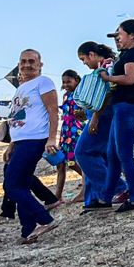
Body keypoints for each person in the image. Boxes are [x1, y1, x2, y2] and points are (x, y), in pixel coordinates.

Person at [2, 49, 61, 243]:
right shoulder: (22, 87)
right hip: (21, 140)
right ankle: (27, 230)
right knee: (22, 184)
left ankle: (45, 220)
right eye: (23, 61)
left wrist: (52, 138)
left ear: (40, 64)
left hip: (35, 139)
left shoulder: (43, 83)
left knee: (11, 185)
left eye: (31, 61)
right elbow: (18, 116)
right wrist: (12, 144)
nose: (27, 65)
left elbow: (53, 111)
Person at [101, 20, 134, 213]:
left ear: (131, 35)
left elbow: (130, 78)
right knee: (112, 154)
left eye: (120, 34)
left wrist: (108, 78)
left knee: (123, 154)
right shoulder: (128, 54)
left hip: (129, 107)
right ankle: (106, 197)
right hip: (123, 107)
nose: (118, 38)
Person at [73, 41, 115, 211]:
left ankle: (118, 187)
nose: (84, 63)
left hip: (103, 117)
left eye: (84, 59)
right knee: (97, 157)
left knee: (83, 153)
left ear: (91, 54)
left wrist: (95, 116)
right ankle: (96, 199)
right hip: (98, 116)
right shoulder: (105, 66)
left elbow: (108, 93)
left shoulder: (108, 66)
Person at [54, 69, 86, 201]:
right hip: (65, 130)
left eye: (69, 81)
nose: (66, 84)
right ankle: (57, 196)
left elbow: (85, 114)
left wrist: (80, 114)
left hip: (75, 130)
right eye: (64, 82)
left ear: (76, 81)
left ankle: (87, 186)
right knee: (60, 163)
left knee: (74, 162)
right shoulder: (66, 95)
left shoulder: (81, 94)